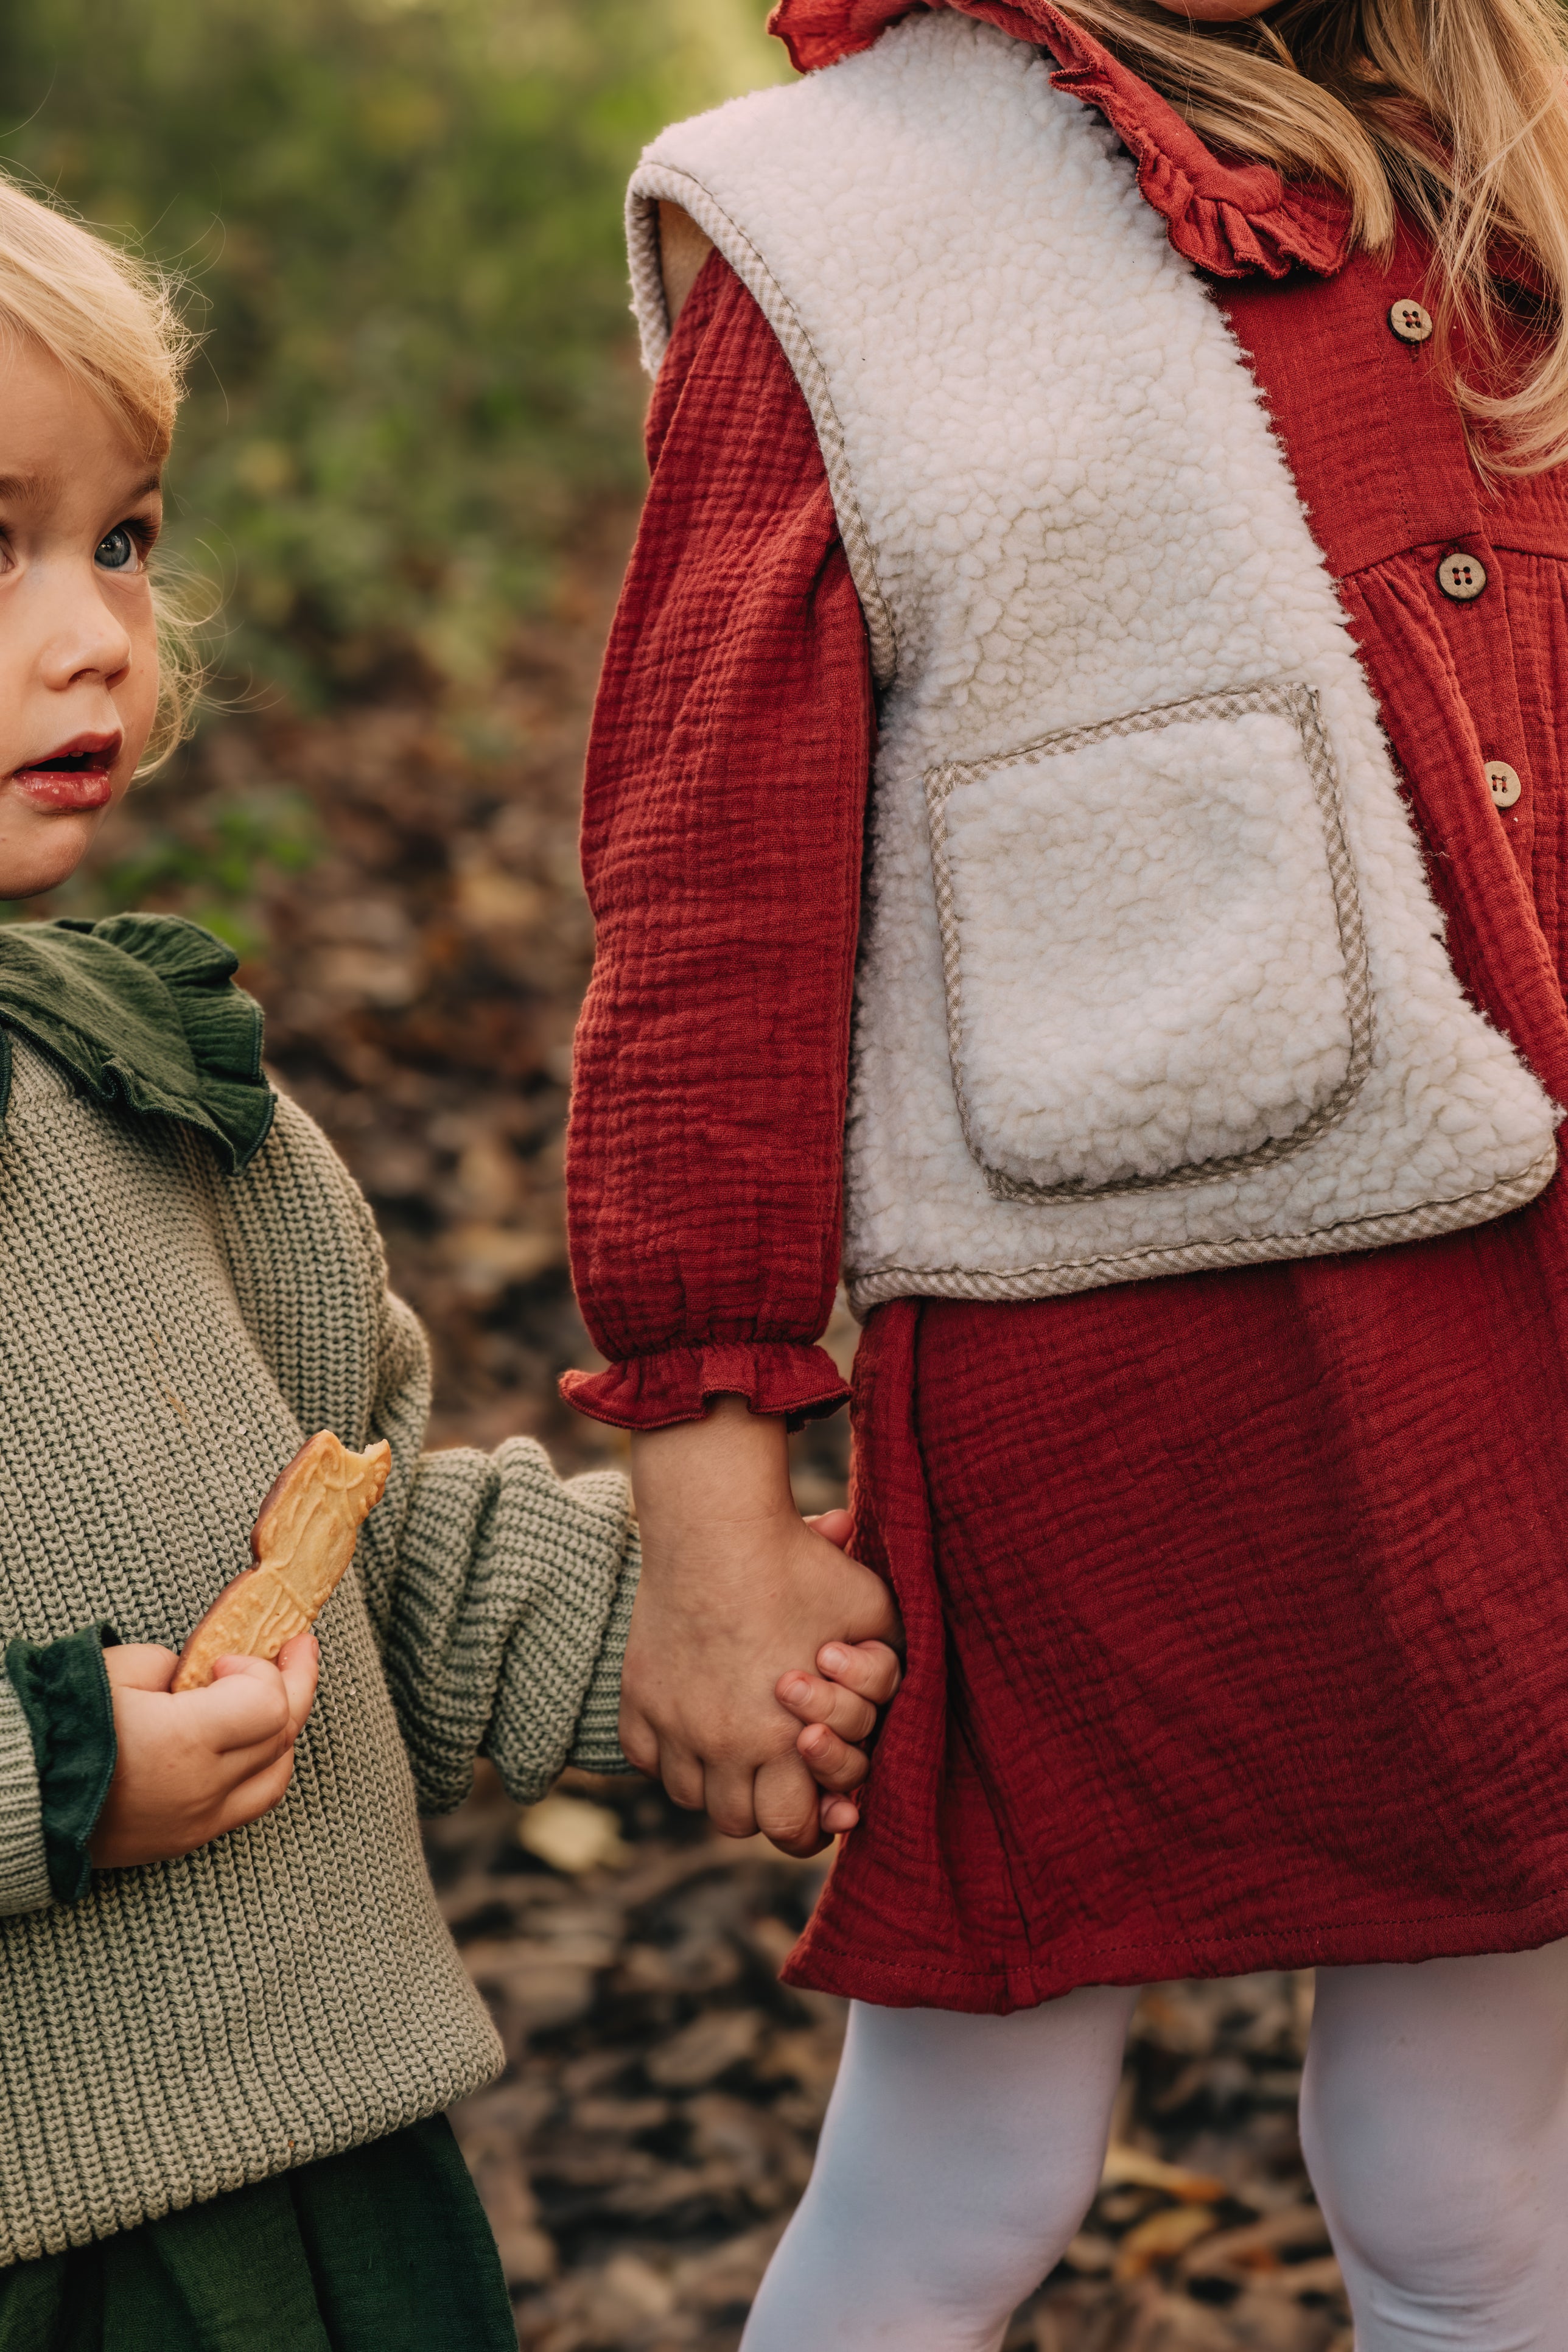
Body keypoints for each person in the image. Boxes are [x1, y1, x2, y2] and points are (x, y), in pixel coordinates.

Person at [564, 0, 1568, 2343]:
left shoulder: (1500, 183)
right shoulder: (839, 224)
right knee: (968, 2172)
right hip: (1107, 1351)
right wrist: (716, 1512)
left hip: (1509, 1343)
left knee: (1477, 2167)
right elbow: (715, 901)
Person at [0, 170, 896, 2350]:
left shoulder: (151, 1092)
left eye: (118, 537)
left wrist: (709, 1628)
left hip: (341, 2191)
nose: (97, 629)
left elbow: (372, 1550)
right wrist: (49, 1773)